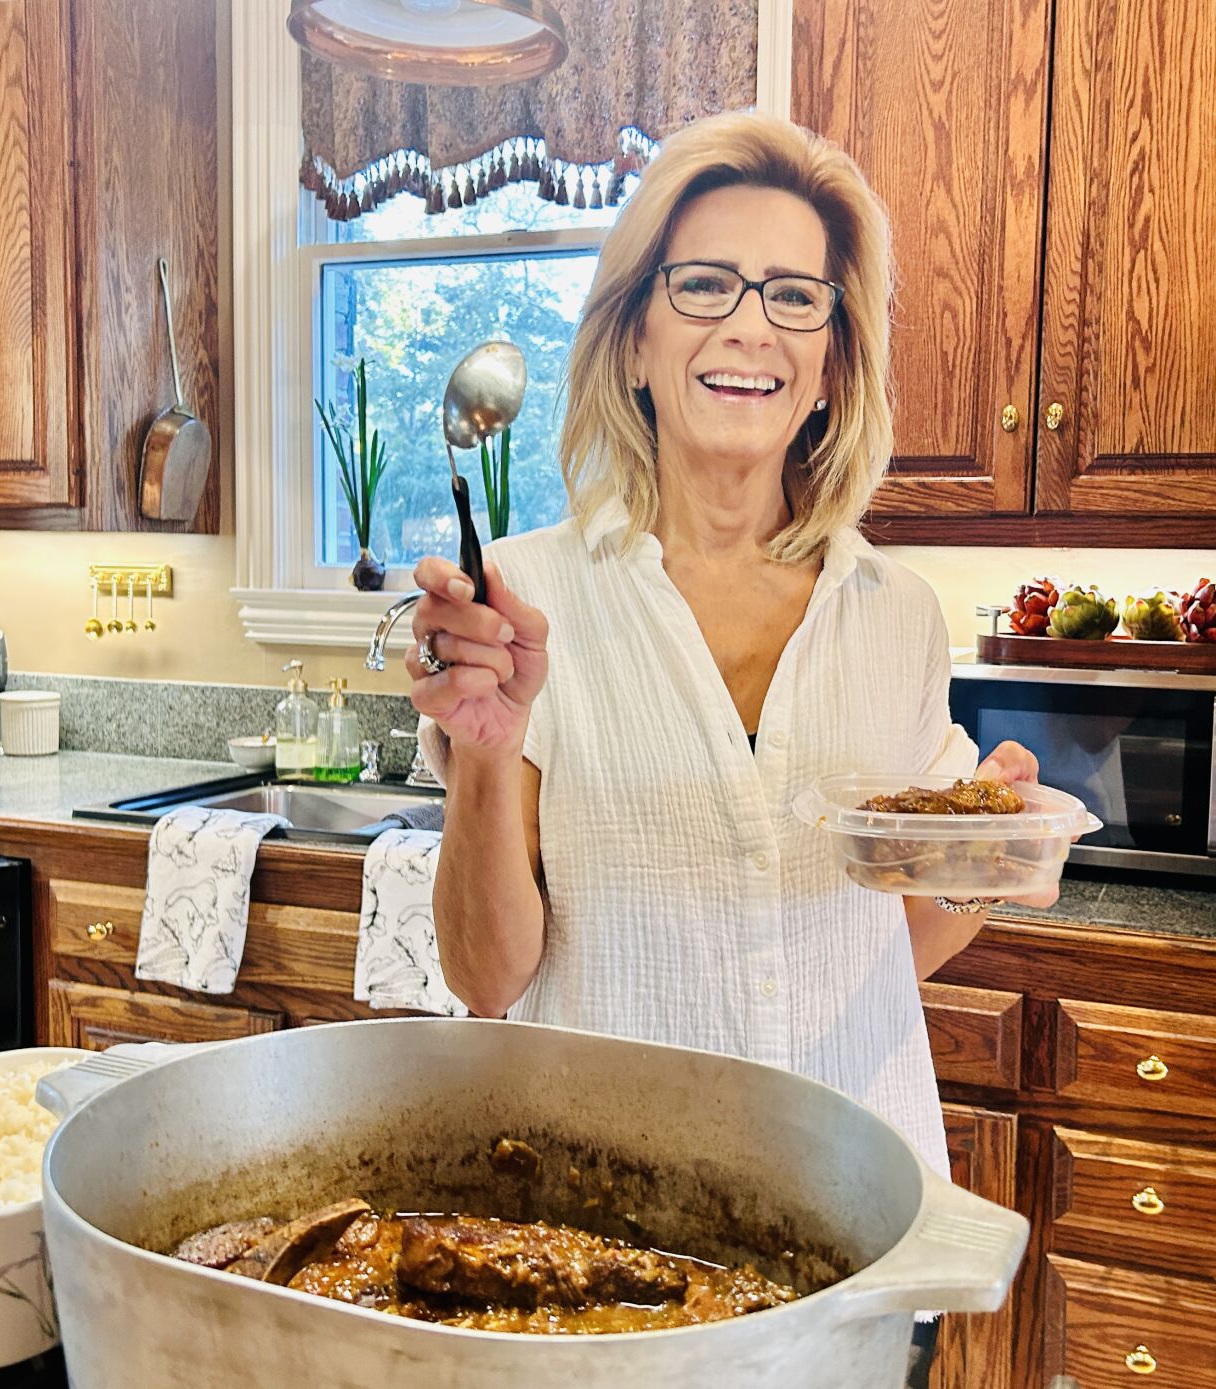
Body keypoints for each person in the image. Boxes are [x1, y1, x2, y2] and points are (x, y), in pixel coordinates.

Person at [406, 110, 1056, 1387]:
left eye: (794, 296)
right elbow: (489, 982)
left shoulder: (897, 617)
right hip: (604, 1245)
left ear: (828, 362)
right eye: (704, 284)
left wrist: (982, 858)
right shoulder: (526, 599)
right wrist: (488, 758)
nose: (749, 325)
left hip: (856, 1226)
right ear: (637, 338)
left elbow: (879, 941)